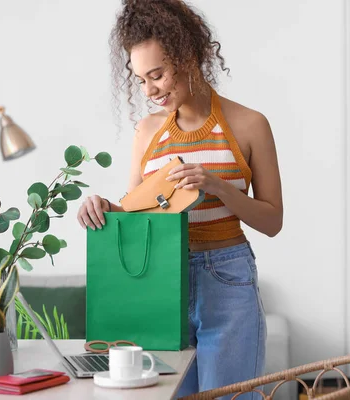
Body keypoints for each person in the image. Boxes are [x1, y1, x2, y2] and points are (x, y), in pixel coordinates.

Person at [77, 1, 283, 398]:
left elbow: (273, 221)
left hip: (228, 279)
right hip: (162, 282)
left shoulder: (249, 125)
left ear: (188, 56)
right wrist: (105, 209)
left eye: (157, 75)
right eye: (140, 80)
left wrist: (218, 186)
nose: (150, 90)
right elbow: (137, 212)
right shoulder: (148, 132)